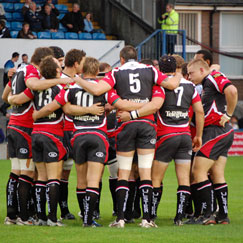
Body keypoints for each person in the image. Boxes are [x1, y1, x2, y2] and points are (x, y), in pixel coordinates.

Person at [150, 55, 204, 226]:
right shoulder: (190, 86)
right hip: (185, 136)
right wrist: (198, 135)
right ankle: (179, 217)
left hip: (166, 135)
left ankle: (151, 215)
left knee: (156, 178)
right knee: (184, 179)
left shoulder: (160, 84)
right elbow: (199, 111)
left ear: (160, 70)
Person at [187, 59, 238, 225]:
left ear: (202, 70)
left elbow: (232, 91)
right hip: (220, 132)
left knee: (198, 171)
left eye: (191, 73)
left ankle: (208, 214)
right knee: (216, 174)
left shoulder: (213, 77)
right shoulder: (208, 81)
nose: (189, 77)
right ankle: (223, 215)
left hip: (216, 131)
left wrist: (229, 114)